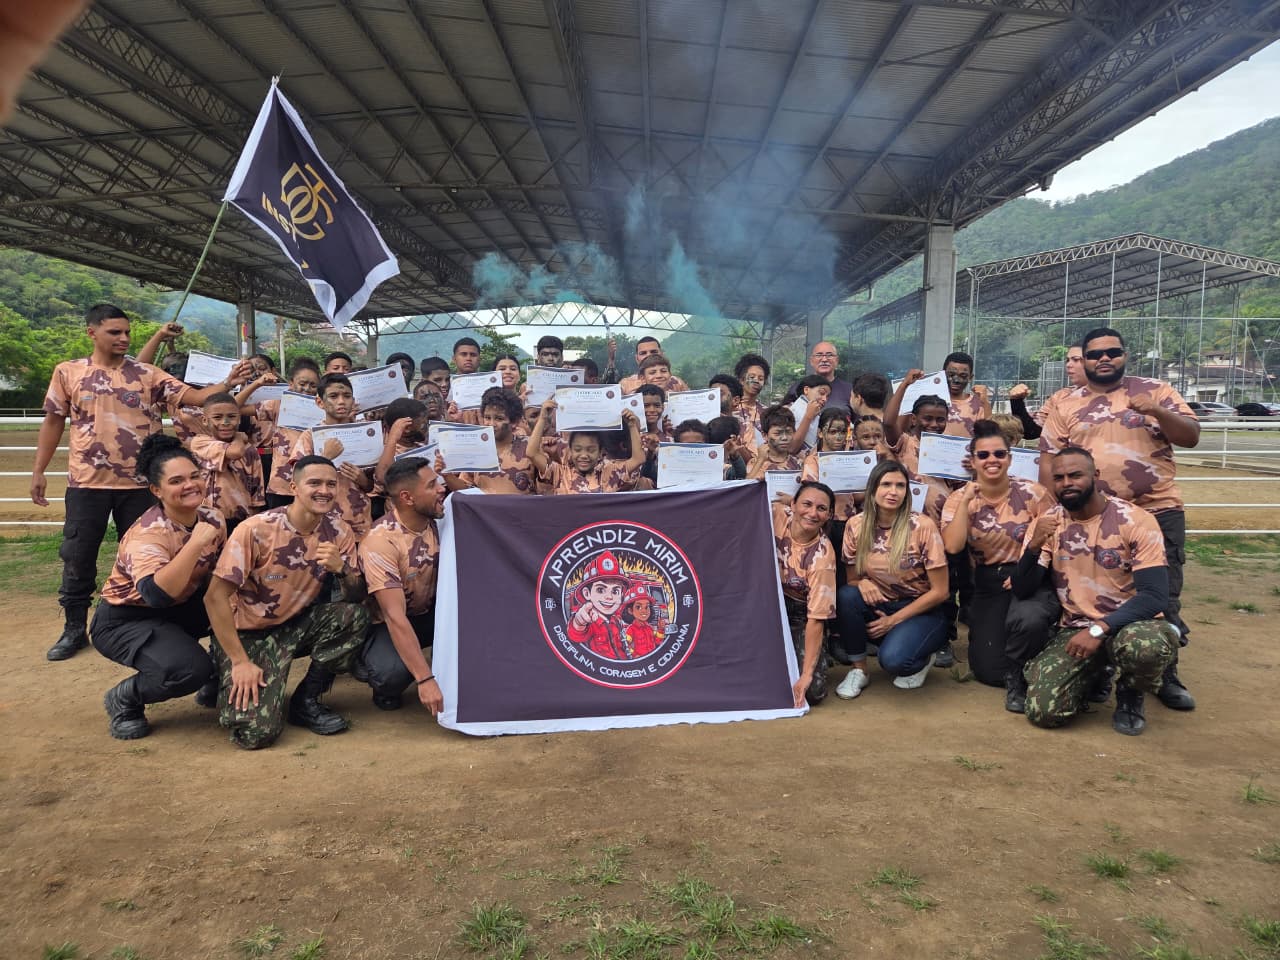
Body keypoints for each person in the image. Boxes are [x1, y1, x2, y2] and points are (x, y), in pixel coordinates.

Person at [32, 304, 248, 661]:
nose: (124, 338)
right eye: (115, 332)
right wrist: (39, 470)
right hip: (88, 483)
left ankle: (153, 620)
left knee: (155, 555)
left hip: (141, 485)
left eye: (127, 332)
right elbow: (54, 421)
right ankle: (73, 627)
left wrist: (229, 382)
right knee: (77, 555)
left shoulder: (147, 374)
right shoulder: (68, 372)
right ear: (92, 333)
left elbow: (193, 398)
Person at [1037, 327, 1199, 711]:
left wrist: (1157, 412)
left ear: (1125, 355)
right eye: (1095, 354)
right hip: (1088, 516)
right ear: (1085, 359)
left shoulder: (1155, 391)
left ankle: (1161, 674)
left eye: (1113, 352)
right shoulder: (1066, 403)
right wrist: (1056, 506)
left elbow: (1191, 435)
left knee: (1164, 594)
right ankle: (1098, 663)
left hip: (1155, 510)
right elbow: (1049, 458)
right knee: (1088, 591)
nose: (1104, 359)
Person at [204, 456, 371, 749]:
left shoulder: (339, 531)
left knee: (353, 616)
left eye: (331, 484)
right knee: (256, 735)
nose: (324, 490)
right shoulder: (256, 529)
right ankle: (222, 671)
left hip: (294, 624)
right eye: (314, 483)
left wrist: (342, 569)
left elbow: (357, 597)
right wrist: (240, 661)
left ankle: (306, 700)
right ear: (294, 487)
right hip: (247, 633)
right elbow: (214, 596)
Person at [1014, 447, 1180, 736]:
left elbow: (1154, 596)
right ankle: (1095, 673)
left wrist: (1099, 629)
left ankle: (1130, 693)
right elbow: (1022, 587)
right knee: (1043, 712)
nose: (1067, 483)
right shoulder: (1049, 523)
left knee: (1145, 647)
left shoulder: (1136, 521)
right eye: (1060, 477)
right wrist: (1032, 547)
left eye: (1075, 475)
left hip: (1131, 624)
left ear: (1095, 476)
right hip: (1075, 628)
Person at [93, 435, 225, 740]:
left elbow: (218, 576)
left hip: (182, 607)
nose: (190, 485)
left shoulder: (212, 517)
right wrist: (195, 544)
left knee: (244, 611)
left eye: (195, 476)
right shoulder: (147, 534)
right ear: (156, 490)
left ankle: (218, 677)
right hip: (127, 619)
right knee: (189, 669)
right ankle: (126, 698)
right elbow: (157, 594)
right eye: (177, 480)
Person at [940, 420, 1059, 711]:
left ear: (1010, 457)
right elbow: (953, 546)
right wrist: (968, 498)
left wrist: (1026, 572)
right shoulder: (959, 499)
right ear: (973, 460)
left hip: (1030, 574)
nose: (992, 460)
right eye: (983, 455)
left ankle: (1032, 662)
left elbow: (1053, 536)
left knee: (1028, 621)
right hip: (988, 581)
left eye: (999, 454)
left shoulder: (1033, 493)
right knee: (988, 671)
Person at [835, 461, 949, 697]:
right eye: (886, 484)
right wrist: (862, 583)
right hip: (880, 603)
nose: (893, 491)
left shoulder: (922, 526)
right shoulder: (855, 525)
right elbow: (852, 580)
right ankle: (859, 670)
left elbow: (941, 591)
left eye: (900, 485)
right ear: (873, 488)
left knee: (895, 662)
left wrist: (893, 621)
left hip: (921, 609)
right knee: (847, 596)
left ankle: (921, 656)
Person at [356, 457, 445, 714]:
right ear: (407, 497)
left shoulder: (441, 520)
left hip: (430, 612)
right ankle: (365, 662)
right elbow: (394, 616)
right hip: (390, 621)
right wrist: (425, 679)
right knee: (390, 675)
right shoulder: (381, 541)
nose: (440, 489)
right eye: (431, 485)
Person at [773, 481, 838, 707]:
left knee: (813, 691)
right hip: (766, 602)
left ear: (829, 515)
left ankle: (818, 653)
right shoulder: (774, 516)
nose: (812, 513)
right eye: (806, 504)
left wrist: (807, 675)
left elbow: (816, 619)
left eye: (821, 509)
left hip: (801, 615)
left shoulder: (822, 559)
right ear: (792, 504)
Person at [289, 373, 375, 539]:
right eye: (334, 396)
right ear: (320, 402)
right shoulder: (310, 436)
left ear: (353, 400)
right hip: (320, 524)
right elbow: (296, 480)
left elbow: (375, 485)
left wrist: (362, 479)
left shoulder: (365, 434)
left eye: (347, 396)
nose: (341, 402)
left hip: (359, 523)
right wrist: (326, 458)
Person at [248, 357, 321, 510]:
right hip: (282, 483)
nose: (307, 388)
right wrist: (256, 384)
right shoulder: (278, 404)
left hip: (315, 481)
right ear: (291, 383)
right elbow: (235, 407)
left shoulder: (325, 408)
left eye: (313, 385)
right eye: (302, 383)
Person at [528, 399, 644, 494]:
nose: (584, 455)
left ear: (600, 452)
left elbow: (638, 459)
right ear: (570, 451)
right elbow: (531, 453)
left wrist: (632, 426)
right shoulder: (560, 473)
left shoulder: (611, 472)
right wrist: (542, 418)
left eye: (591, 450)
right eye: (578, 449)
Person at [189, 392, 265, 531]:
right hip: (206, 518)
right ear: (205, 420)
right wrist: (238, 437)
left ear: (240, 419)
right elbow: (235, 452)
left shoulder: (250, 451)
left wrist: (253, 524)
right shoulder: (200, 443)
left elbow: (257, 492)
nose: (225, 422)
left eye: (231, 417)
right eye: (217, 417)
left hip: (241, 519)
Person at [442, 388, 537, 494]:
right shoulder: (475, 449)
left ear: (514, 421)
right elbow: (465, 492)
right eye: (487, 418)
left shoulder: (530, 447)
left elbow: (547, 489)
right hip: (483, 511)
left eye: (499, 418)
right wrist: (446, 475)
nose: (491, 424)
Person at [1008, 346, 1085, 441]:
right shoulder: (1061, 396)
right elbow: (1031, 431)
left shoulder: (1108, 397)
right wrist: (1017, 402)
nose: (1069, 364)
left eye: (1076, 360)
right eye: (1067, 360)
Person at [784, 341, 852, 413]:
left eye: (829, 355)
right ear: (811, 361)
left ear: (837, 360)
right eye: (819, 355)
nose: (824, 359)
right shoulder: (798, 387)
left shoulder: (849, 390)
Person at [940, 351, 991, 438]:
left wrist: (985, 402)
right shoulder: (930, 400)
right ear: (942, 374)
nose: (956, 380)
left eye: (963, 376)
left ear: (970, 377)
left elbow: (989, 433)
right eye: (951, 375)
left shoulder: (977, 404)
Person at [746, 405, 805, 478]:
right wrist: (760, 460)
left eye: (788, 432)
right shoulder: (755, 462)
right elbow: (747, 487)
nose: (784, 438)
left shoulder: (798, 463)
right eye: (777, 433)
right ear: (765, 435)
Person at [619, 338, 690, 394]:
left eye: (654, 352)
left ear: (662, 354)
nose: (649, 355)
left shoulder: (677, 383)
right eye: (643, 353)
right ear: (637, 359)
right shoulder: (625, 385)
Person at [733, 353, 770, 451]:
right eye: (752, 377)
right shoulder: (731, 408)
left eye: (761, 379)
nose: (756, 381)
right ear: (741, 380)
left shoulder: (767, 412)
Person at [787, 374, 832, 453]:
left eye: (827, 396)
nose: (825, 399)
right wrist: (808, 416)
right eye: (821, 393)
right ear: (806, 390)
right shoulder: (791, 411)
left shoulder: (817, 414)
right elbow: (792, 448)